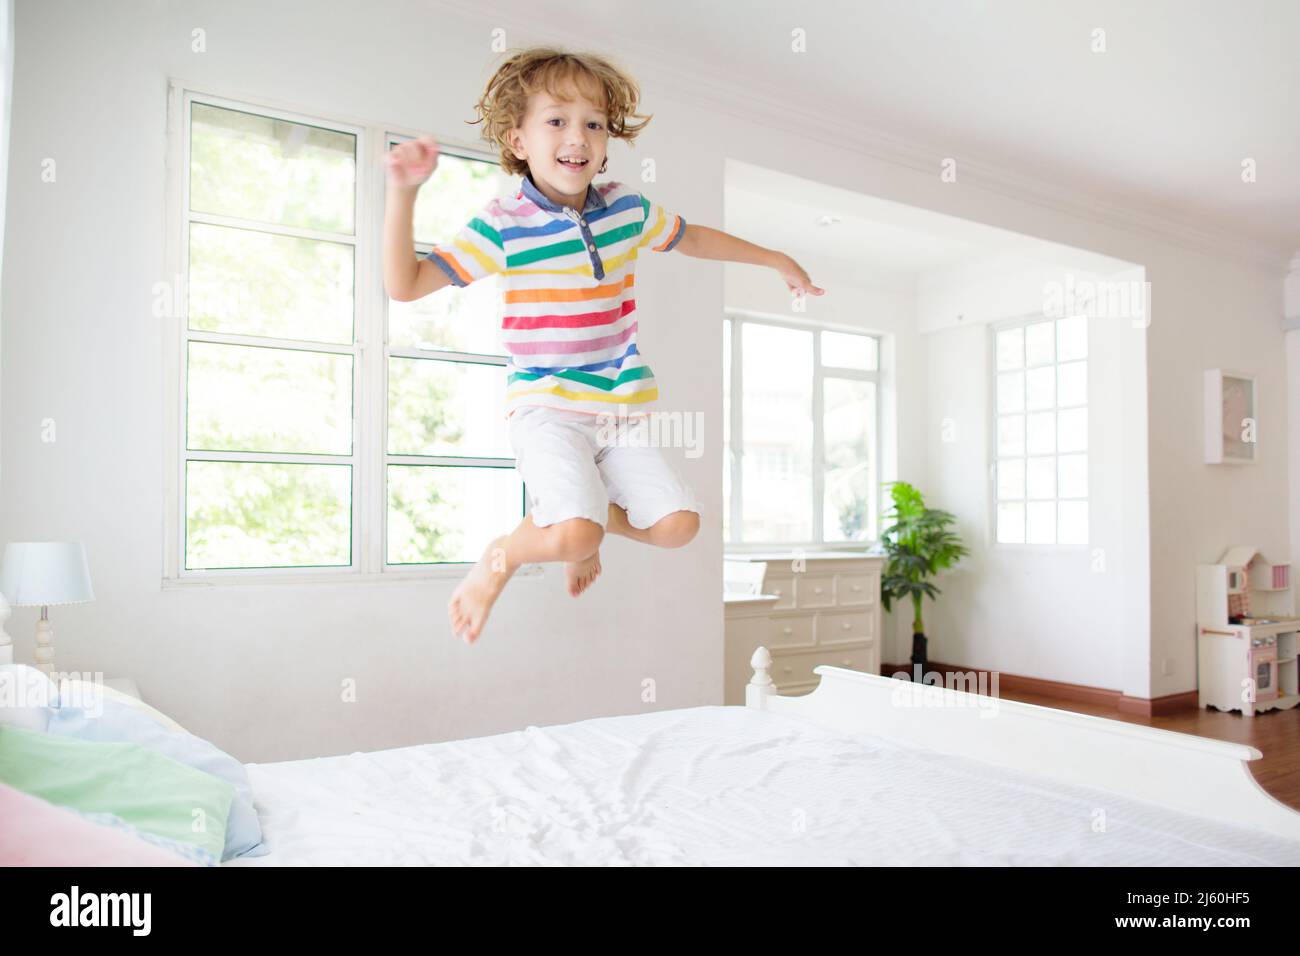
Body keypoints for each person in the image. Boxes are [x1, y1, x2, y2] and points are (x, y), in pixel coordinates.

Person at [383, 47, 824, 644]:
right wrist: (404, 193)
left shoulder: (625, 209)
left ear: (607, 142)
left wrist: (777, 260)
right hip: (546, 410)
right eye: (557, 120)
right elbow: (405, 286)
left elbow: (693, 239)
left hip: (618, 412)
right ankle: (503, 556)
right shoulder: (504, 224)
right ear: (518, 141)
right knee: (574, 536)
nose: (579, 136)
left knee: (677, 526)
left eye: (594, 123)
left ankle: (586, 520)